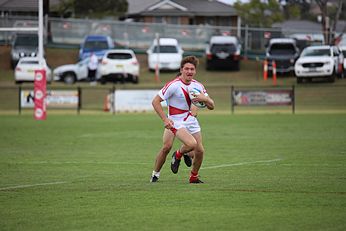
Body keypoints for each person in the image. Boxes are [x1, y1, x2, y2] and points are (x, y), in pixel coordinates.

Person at [150, 56, 215, 183]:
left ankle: (193, 177)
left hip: (190, 120)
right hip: (175, 120)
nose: (189, 71)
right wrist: (165, 119)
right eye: (187, 69)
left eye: (192, 69)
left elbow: (211, 106)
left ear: (195, 71)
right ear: (181, 70)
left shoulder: (198, 86)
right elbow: (155, 101)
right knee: (169, 147)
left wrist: (206, 99)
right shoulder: (173, 85)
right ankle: (156, 173)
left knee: (200, 151)